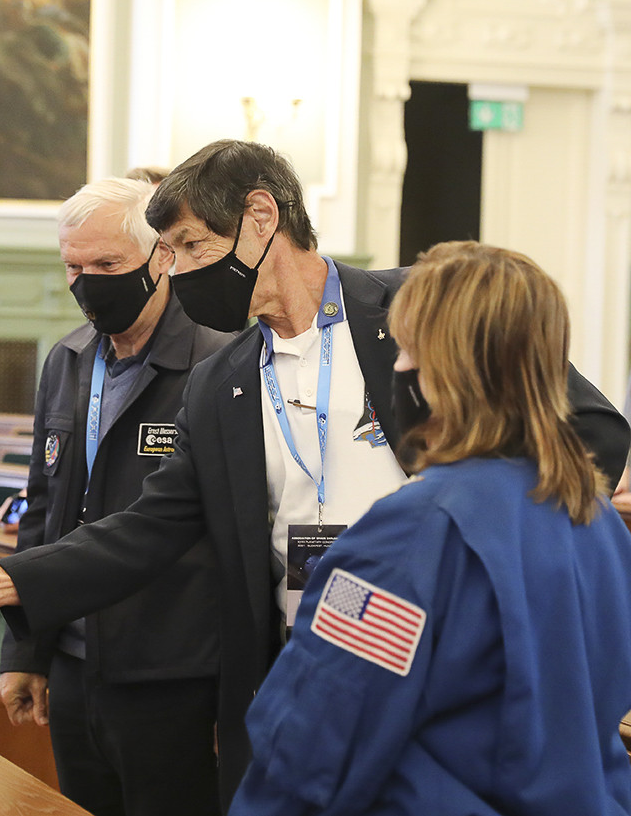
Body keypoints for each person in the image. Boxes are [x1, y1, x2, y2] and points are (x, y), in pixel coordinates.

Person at [0, 139, 631, 809]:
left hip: (447, 657)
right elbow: (148, 526)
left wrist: (473, 540)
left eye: (191, 245)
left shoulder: (418, 311)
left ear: (261, 218)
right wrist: (2, 581)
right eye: (168, 252)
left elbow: (588, 428)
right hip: (300, 659)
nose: (177, 271)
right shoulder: (218, 379)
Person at [228, 241, 631, 815]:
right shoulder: (596, 521)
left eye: (407, 349)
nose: (397, 367)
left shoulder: (410, 537)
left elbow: (316, 737)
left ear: (443, 370)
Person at [0, 177, 231, 816]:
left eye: (107, 265)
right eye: (74, 267)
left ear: (161, 257)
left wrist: (234, 690)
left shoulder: (218, 363)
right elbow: (43, 511)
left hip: (174, 677)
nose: (88, 283)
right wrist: (27, 651)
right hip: (74, 668)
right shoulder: (67, 360)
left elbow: (236, 535)